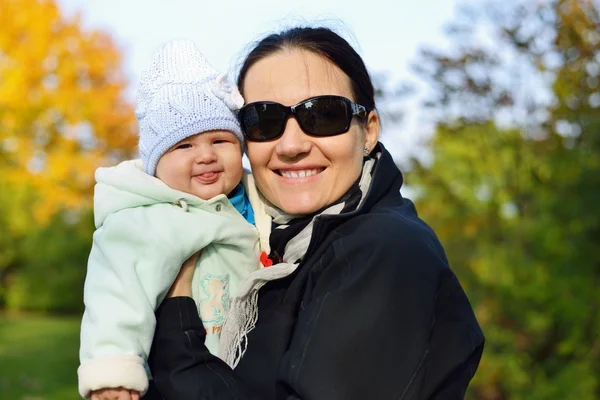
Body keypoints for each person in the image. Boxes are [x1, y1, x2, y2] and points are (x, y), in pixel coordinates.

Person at [147, 26, 485, 400]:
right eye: (264, 120)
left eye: (323, 115)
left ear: (369, 131)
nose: (291, 145)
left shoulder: (385, 250)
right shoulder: (263, 246)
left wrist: (175, 323)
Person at [77, 40, 270, 400]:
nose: (206, 156)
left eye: (221, 140)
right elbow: (116, 291)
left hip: (243, 369)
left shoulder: (256, 197)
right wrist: (113, 370)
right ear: (156, 163)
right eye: (184, 146)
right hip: (172, 380)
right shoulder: (148, 218)